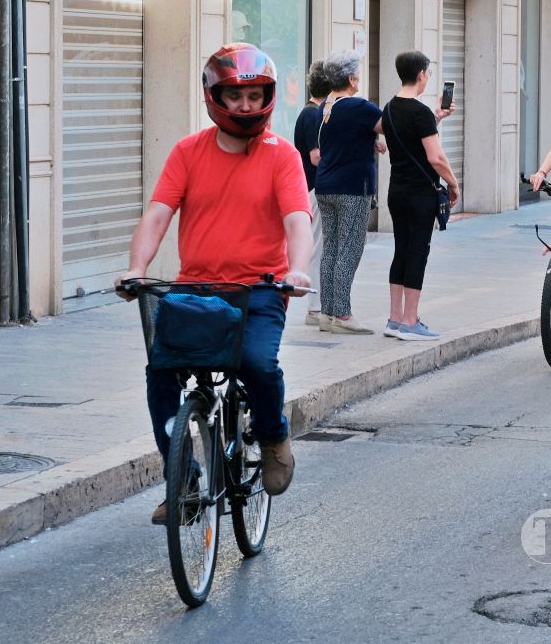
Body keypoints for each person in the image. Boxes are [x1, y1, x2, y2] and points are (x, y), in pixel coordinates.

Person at [117, 43, 313, 523]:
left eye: (254, 96)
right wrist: (136, 267)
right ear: (215, 97)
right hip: (196, 291)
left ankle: (273, 436)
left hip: (260, 291)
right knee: (161, 373)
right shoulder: (188, 152)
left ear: (266, 97)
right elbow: (158, 214)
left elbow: (297, 220)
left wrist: (297, 269)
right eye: (235, 96)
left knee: (257, 364)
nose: (245, 105)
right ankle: (182, 483)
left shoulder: (282, 155)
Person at [379, 51, 459, 341]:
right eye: (428, 73)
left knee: (401, 250)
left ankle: (394, 319)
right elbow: (435, 157)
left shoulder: (389, 108)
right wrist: (453, 183)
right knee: (417, 253)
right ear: (421, 74)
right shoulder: (420, 112)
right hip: (420, 195)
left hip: (396, 192)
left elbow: (409, 139)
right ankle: (410, 321)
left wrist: (436, 117)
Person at [313, 50, 385, 334]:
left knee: (331, 248)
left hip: (326, 185)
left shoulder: (326, 106)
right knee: (349, 249)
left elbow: (344, 138)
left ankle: (327, 313)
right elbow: (389, 127)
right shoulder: (359, 107)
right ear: (352, 79)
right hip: (352, 188)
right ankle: (342, 315)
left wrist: (369, 141)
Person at [293, 60, 332, 326]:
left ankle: (316, 306)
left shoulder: (308, 113)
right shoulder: (312, 115)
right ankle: (314, 308)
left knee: (318, 246)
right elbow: (316, 157)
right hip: (314, 188)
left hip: (310, 187)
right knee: (318, 248)